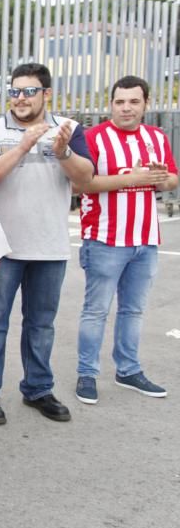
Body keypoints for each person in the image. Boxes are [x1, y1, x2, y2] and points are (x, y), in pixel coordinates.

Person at [0, 63, 94, 424]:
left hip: (50, 245)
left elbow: (85, 179)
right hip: (4, 246)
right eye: (14, 91)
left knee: (41, 324)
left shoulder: (69, 129)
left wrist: (64, 152)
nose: (20, 99)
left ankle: (38, 388)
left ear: (46, 94)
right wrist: (23, 145)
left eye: (28, 91)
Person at [74, 75, 178, 404]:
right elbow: (82, 184)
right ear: (110, 105)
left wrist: (161, 179)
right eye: (119, 102)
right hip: (105, 239)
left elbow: (172, 177)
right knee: (96, 311)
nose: (126, 108)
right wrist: (134, 178)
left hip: (146, 239)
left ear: (146, 104)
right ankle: (86, 373)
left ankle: (128, 369)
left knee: (133, 311)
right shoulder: (93, 137)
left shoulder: (157, 137)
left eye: (134, 101)